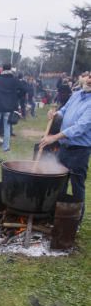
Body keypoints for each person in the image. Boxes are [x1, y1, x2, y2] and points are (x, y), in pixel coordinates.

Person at [39, 70, 91, 221]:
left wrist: (54, 137)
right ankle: (57, 214)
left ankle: (75, 219)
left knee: (76, 187)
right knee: (60, 181)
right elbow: (63, 110)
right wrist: (54, 114)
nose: (89, 80)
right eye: (89, 76)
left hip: (79, 151)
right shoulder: (76, 95)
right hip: (64, 148)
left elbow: (81, 127)